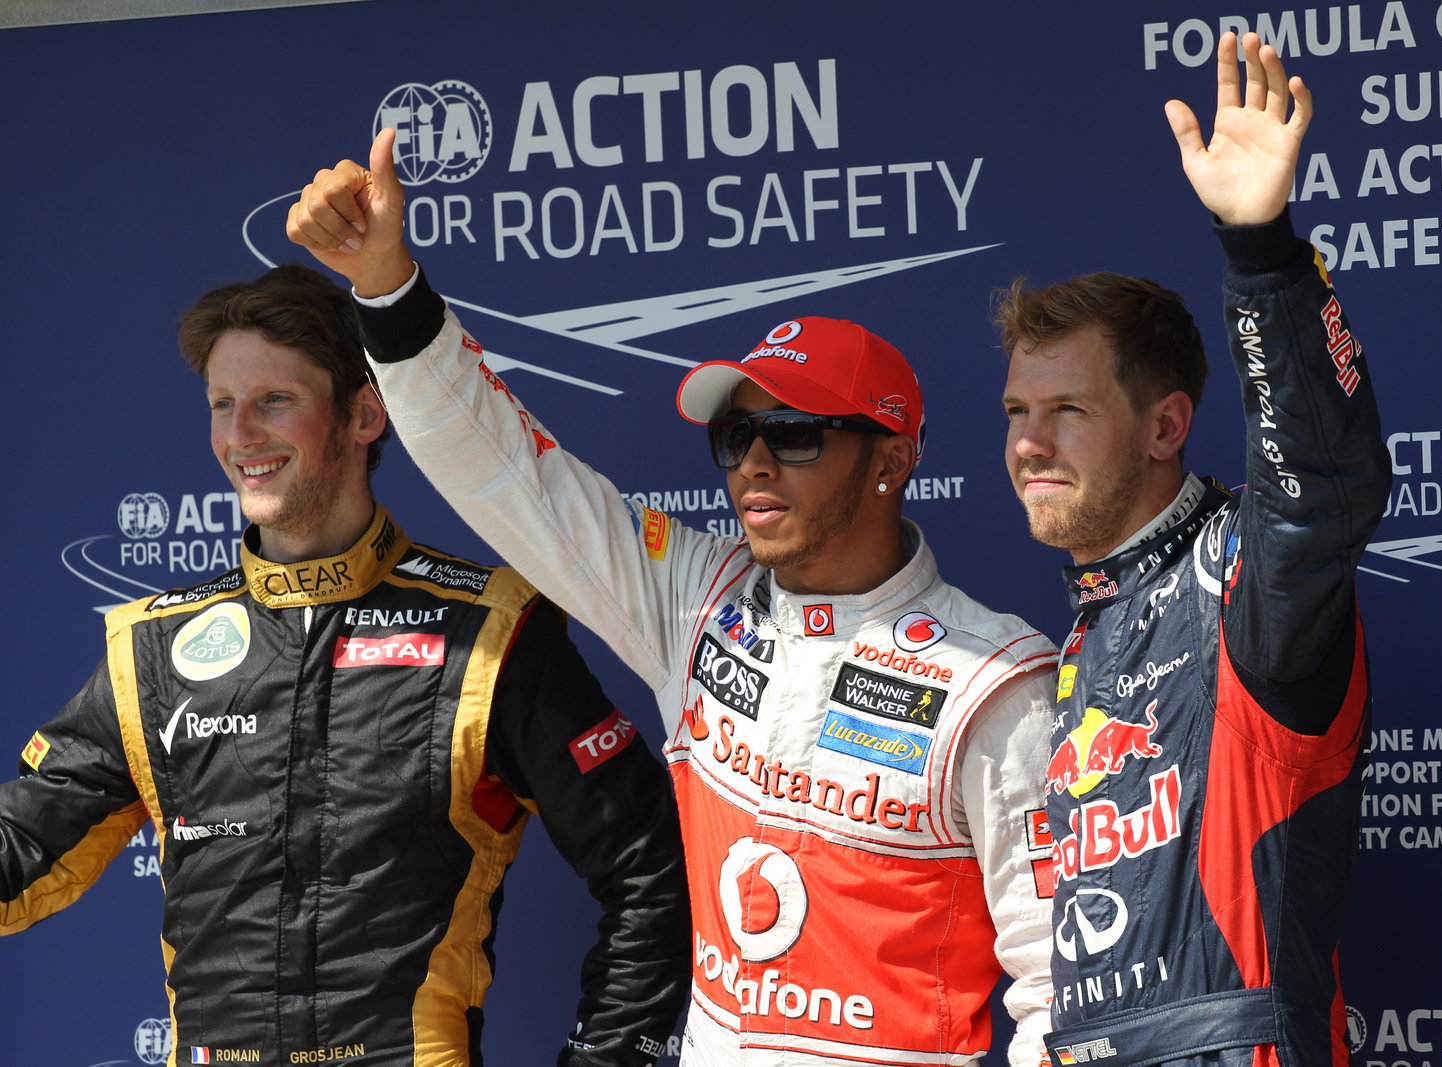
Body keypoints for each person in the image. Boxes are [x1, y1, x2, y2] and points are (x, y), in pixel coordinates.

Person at [285, 139, 1060, 1065]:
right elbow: (509, 475)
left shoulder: (994, 680)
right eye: (736, 435)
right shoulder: (698, 596)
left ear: (892, 458)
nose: (756, 462)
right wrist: (386, 288)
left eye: (795, 433)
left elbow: (1060, 981)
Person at [0, 265, 691, 1067]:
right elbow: (19, 851)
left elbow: (654, 868)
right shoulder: (150, 652)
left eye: (274, 400)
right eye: (223, 405)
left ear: (364, 413)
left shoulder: (487, 632)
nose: (240, 434)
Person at [996, 33, 1390, 1067]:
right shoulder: (1090, 620)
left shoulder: (1243, 579)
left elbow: (1322, 484)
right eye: (1016, 411)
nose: (1029, 441)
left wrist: (1260, 251)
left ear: (1166, 425)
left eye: (1067, 410)